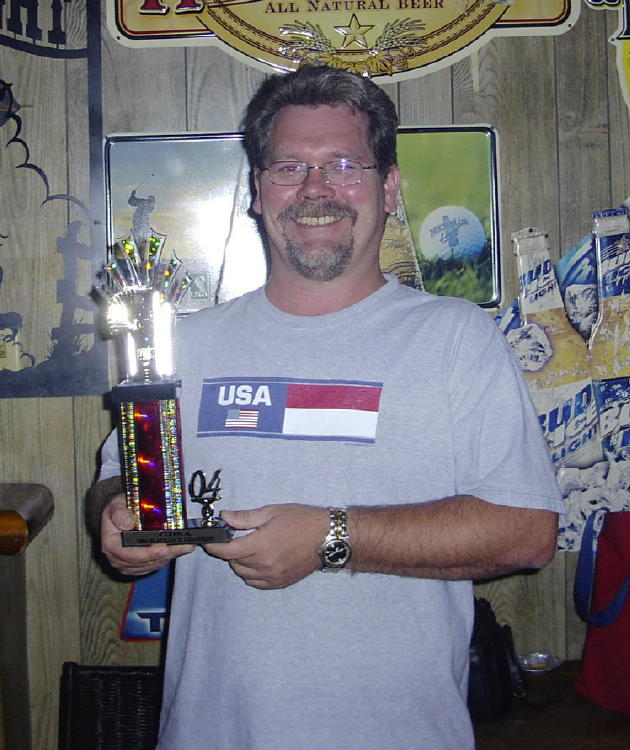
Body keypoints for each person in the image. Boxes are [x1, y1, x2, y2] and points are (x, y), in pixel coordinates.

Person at [90, 65, 564, 749]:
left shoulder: (457, 338)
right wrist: (115, 514)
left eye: (343, 165)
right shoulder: (185, 344)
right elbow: (116, 479)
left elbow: (526, 532)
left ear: (389, 188)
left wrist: (331, 537)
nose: (315, 190)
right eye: (289, 168)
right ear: (257, 192)